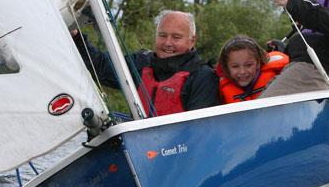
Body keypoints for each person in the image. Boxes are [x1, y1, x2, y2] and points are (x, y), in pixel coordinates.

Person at [73, 10, 219, 116]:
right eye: (162, 35)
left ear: (192, 40)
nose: (168, 43)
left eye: (176, 37)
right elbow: (100, 66)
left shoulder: (203, 77)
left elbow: (200, 130)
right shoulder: (141, 63)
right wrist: (76, 38)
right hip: (140, 149)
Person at [216, 36, 289, 103]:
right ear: (226, 67)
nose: (242, 72)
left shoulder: (279, 77)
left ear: (258, 63)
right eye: (235, 66)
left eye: (248, 65)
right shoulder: (220, 89)